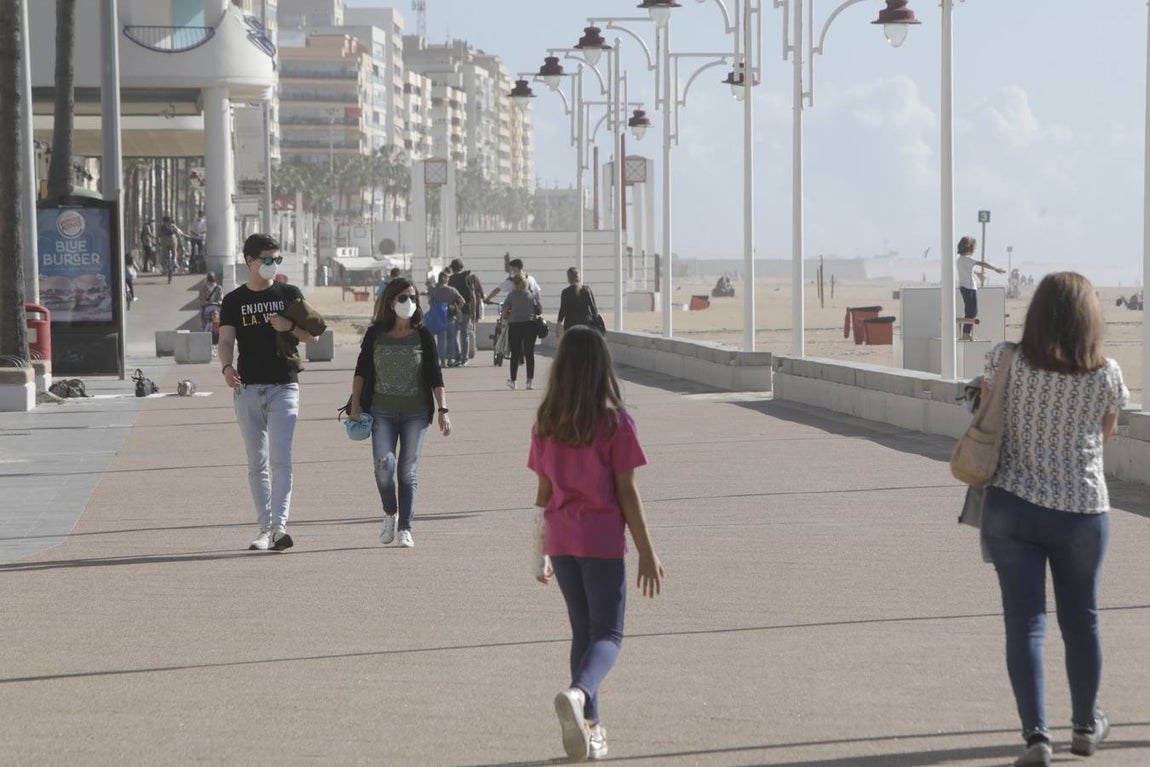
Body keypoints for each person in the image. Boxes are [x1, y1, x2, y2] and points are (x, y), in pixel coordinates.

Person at [978, 272, 1128, 767]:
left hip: (1013, 506)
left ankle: (1036, 738)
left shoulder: (1006, 360)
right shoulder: (1107, 374)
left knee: (1025, 624)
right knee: (1081, 620)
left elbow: (987, 408)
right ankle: (1086, 726)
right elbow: (1106, 433)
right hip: (1081, 512)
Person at [528, 326, 664, 762]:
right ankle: (580, 693)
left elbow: (542, 495)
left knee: (583, 634)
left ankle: (591, 728)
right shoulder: (615, 423)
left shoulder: (546, 422)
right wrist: (646, 550)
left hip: (563, 539)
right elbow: (627, 491)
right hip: (601, 541)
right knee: (608, 634)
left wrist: (539, 553)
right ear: (601, 368)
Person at [218, 234, 327, 552]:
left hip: (284, 386)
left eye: (276, 260)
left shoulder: (288, 294)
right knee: (257, 462)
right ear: (250, 261)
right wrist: (226, 368)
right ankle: (264, 528)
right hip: (247, 387)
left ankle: (279, 526)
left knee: (281, 459)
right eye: (267, 260)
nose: (272, 265)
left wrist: (289, 327)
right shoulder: (234, 300)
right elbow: (225, 342)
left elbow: (314, 338)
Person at [348, 278, 451, 549]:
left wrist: (443, 410)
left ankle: (405, 528)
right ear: (391, 301)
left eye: (413, 297)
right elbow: (361, 371)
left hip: (416, 415)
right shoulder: (375, 334)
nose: (409, 303)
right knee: (384, 467)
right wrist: (356, 405)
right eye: (403, 298)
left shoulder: (423, 335)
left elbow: (435, 376)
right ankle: (389, 513)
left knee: (407, 471)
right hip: (381, 412)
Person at [956, 236, 1005, 340]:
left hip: (965, 287)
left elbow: (967, 270)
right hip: (969, 288)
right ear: (970, 248)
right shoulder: (967, 259)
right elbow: (982, 263)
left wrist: (977, 274)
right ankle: (965, 334)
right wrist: (995, 269)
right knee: (972, 312)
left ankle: (966, 333)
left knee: (970, 311)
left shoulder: (961, 260)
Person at [502, 274, 540, 390]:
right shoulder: (531, 295)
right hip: (530, 325)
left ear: (514, 283)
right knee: (529, 354)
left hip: (515, 326)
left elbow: (504, 313)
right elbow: (538, 309)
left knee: (515, 354)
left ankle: (513, 381)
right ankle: (530, 381)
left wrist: (509, 315)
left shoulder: (511, 296)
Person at [447, 258, 483, 365]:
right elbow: (472, 296)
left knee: (455, 333)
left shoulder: (451, 279)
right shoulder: (467, 278)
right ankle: (464, 357)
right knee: (464, 334)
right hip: (466, 309)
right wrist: (474, 312)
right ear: (462, 267)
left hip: (454, 309)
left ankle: (457, 356)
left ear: (452, 268)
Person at [427, 270, 466, 366]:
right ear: (447, 279)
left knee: (441, 340)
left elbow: (431, 303)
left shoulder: (434, 290)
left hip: (439, 317)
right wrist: (456, 308)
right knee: (451, 339)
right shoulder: (452, 290)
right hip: (451, 317)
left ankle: (442, 361)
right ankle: (450, 360)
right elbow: (462, 301)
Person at [556, 267, 598, 336]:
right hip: (586, 325)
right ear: (579, 277)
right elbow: (594, 309)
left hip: (570, 326)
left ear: (568, 278)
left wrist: (559, 324)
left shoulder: (566, 292)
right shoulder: (587, 290)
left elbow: (563, 310)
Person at [158, 215, 189, 283]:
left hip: (164, 240)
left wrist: (158, 242)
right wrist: (180, 242)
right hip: (172, 240)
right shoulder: (172, 226)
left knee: (163, 254)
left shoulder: (162, 227)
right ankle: (174, 260)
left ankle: (164, 269)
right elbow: (177, 234)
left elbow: (159, 235)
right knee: (174, 250)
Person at [199, 272, 223, 343]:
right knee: (202, 316)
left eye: (212, 282)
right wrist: (204, 302)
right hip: (207, 308)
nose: (211, 284)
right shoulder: (203, 288)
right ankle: (205, 330)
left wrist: (220, 302)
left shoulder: (218, 288)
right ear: (207, 281)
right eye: (210, 282)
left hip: (217, 307)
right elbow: (201, 298)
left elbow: (221, 298)